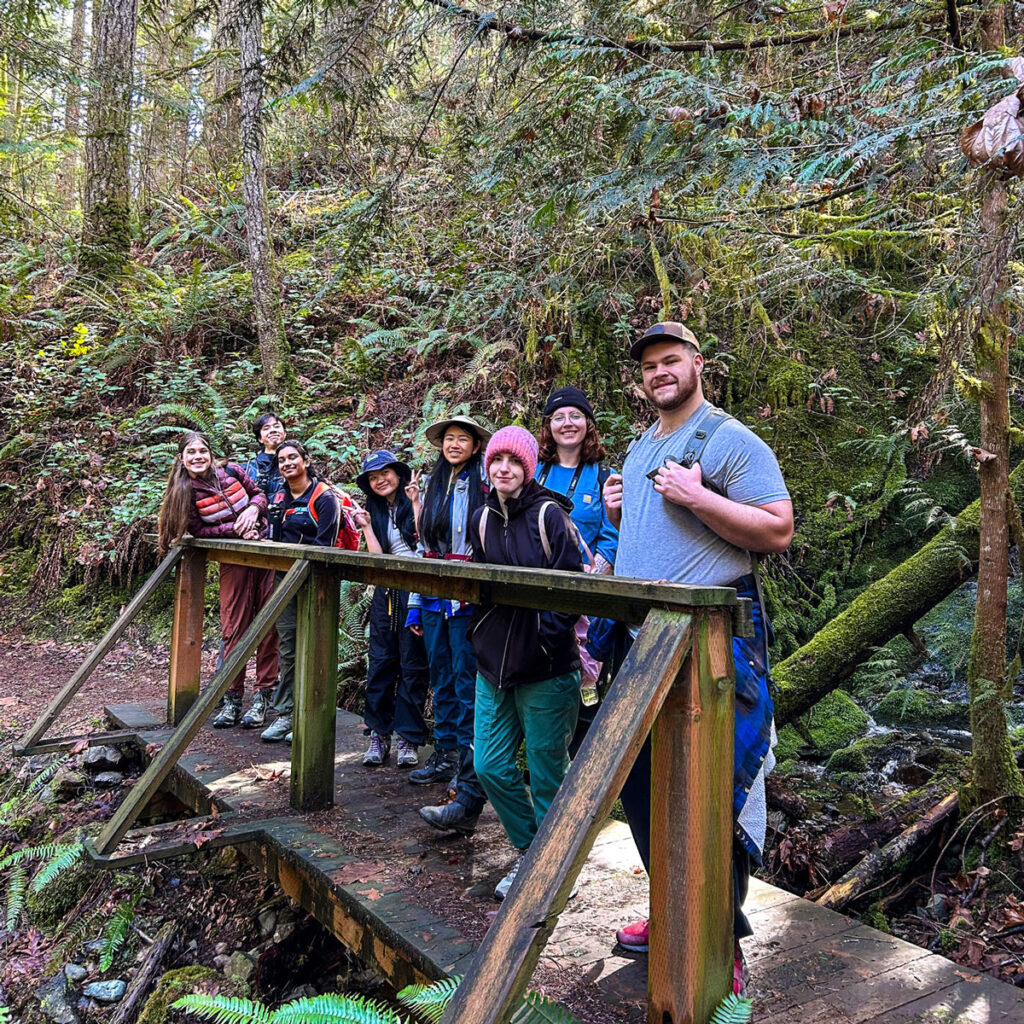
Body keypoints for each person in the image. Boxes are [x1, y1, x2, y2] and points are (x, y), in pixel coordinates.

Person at [603, 321, 793, 994]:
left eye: (670, 360)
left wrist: (699, 495)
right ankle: (669, 910)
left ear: (697, 363)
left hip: (713, 644)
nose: (659, 372)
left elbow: (776, 526)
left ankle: (720, 942)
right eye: (650, 365)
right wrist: (623, 514)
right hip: (641, 640)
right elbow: (659, 541)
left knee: (716, 792)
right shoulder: (638, 447)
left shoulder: (730, 439)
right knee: (642, 786)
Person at [465, 426, 583, 898]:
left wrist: (547, 636)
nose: (504, 469)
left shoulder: (549, 516)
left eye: (514, 462)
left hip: (546, 667)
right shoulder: (481, 518)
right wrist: (481, 636)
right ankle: (535, 850)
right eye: (497, 461)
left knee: (547, 772)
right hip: (493, 664)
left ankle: (553, 872)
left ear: (528, 467)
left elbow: (576, 585)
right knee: (489, 765)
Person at [156, 431, 278, 729]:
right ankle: (232, 697)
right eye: (191, 453)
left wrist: (252, 510)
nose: (198, 457)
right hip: (232, 561)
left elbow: (259, 495)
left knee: (269, 625)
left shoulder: (232, 470)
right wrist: (235, 530)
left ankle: (264, 695)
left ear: (210, 454)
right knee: (233, 627)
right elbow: (197, 531)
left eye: (203, 451)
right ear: (182, 459)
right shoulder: (185, 491)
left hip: (267, 554)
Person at [405, 415, 490, 830]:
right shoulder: (435, 483)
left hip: (469, 594)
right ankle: (445, 755)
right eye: (449, 439)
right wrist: (416, 604)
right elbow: (424, 545)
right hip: (436, 590)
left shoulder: (484, 483)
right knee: (440, 677)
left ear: (476, 446)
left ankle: (470, 768)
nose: (455, 445)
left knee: (465, 679)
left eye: (463, 439)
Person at [535, 386, 618, 748]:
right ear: (548, 426)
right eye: (558, 417)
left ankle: (579, 759)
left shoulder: (603, 476)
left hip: (585, 596)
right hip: (535, 590)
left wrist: (593, 582)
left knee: (584, 676)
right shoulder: (532, 471)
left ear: (588, 423)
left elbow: (612, 535)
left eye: (575, 416)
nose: (567, 424)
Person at [352, 449, 430, 768]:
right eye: (373, 477)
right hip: (386, 589)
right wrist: (368, 527)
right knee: (381, 661)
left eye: (385, 474)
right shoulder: (376, 508)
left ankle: (408, 737)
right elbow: (377, 557)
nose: (380, 480)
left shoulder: (415, 500)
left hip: (416, 588)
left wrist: (415, 503)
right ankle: (379, 733)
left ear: (398, 474)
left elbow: (428, 543)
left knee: (413, 662)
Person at [261, 439, 341, 743]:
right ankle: (285, 714)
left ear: (305, 461)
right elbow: (274, 538)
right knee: (289, 647)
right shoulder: (279, 496)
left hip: (317, 581)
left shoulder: (323, 497)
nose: (287, 463)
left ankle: (312, 714)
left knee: (316, 647)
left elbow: (326, 545)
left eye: (293, 457)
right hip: (284, 579)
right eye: (282, 459)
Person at [241, 412, 286, 500]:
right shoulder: (248, 469)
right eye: (266, 428)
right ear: (260, 438)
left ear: (284, 433)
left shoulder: (297, 464)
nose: (273, 430)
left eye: (277, 426)